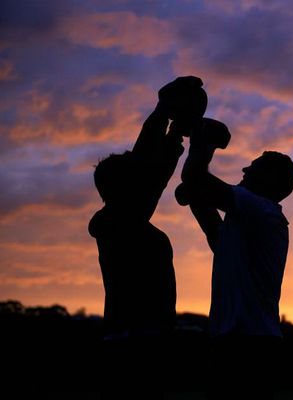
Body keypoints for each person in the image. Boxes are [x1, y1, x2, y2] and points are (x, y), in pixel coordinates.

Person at [88, 76, 207, 396]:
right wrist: (163, 111)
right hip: (130, 345)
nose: (144, 176)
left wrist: (174, 134)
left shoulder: (129, 219)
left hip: (146, 341)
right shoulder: (115, 221)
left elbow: (152, 179)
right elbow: (147, 172)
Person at [175, 122, 293, 399]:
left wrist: (203, 143)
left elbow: (196, 178)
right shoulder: (248, 220)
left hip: (249, 344)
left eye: (253, 166)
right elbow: (213, 231)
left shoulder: (261, 209)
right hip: (237, 341)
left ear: (269, 179)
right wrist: (197, 196)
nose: (244, 170)